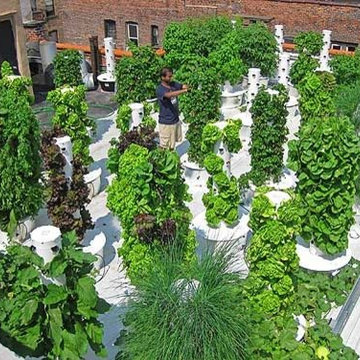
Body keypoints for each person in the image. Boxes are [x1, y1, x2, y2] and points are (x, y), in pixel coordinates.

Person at [156, 67, 188, 150]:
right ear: (162, 77)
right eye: (169, 76)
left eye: (171, 76)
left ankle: (171, 159)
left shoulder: (173, 84)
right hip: (166, 122)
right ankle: (162, 160)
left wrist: (190, 86)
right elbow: (168, 95)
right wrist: (183, 91)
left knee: (172, 144)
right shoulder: (160, 89)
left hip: (175, 120)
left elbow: (182, 86)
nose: (171, 78)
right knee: (164, 145)